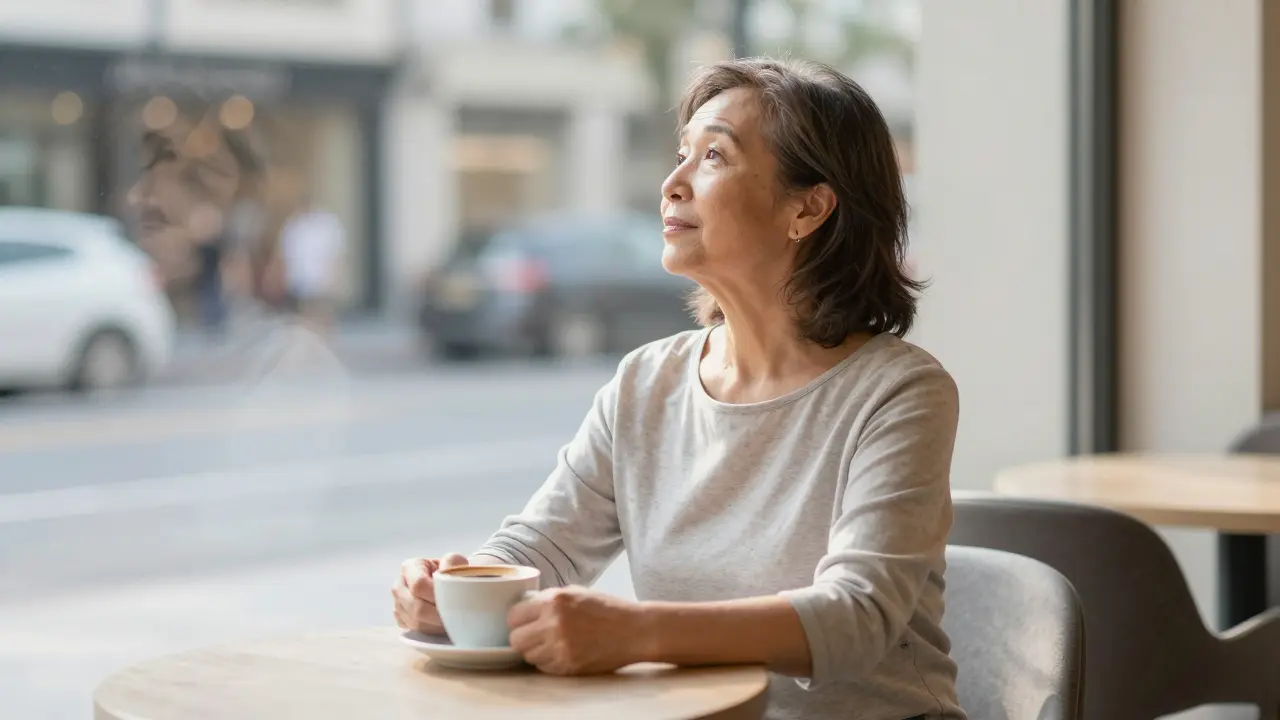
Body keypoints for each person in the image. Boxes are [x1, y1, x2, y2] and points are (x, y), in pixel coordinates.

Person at [392, 58, 963, 720]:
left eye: (713, 155)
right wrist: (453, 594)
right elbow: (542, 549)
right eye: (681, 154)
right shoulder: (645, 382)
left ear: (807, 207)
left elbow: (858, 615)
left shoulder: (900, 392)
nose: (672, 184)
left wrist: (635, 632)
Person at [279, 195, 345, 336]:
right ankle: (309, 340)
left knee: (322, 311)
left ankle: (324, 340)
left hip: (321, 277)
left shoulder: (327, 223)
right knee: (305, 313)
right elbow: (288, 253)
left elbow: (336, 252)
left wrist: (335, 275)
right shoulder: (294, 224)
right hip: (301, 278)